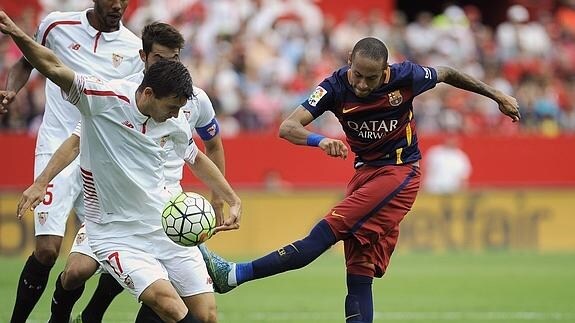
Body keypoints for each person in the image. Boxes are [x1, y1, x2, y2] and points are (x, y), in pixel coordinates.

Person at [202, 37, 520, 322]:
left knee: (320, 237)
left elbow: (448, 72)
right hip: (364, 174)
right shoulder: (334, 88)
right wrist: (319, 141)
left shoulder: (406, 77)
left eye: (372, 78)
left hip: (399, 173)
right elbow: (288, 127)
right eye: (358, 74)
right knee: (358, 272)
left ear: (385, 71)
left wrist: (496, 95)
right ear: (349, 59)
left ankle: (234, 274)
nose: (363, 85)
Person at [0, 10, 241, 323]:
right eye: (170, 108)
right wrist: (16, 33)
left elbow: (197, 157)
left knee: (205, 316)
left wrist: (231, 198)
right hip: (115, 231)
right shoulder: (104, 98)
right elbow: (53, 67)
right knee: (89, 277)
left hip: (160, 224)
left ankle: (89, 315)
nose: (174, 115)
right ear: (149, 92)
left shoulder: (177, 115)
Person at [0, 1, 144, 322]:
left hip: (101, 159)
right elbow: (28, 61)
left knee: (92, 263)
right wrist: (11, 91)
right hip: (56, 148)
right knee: (48, 249)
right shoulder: (56, 26)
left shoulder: (135, 50)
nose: (118, 5)